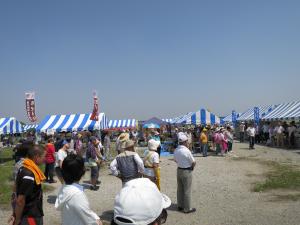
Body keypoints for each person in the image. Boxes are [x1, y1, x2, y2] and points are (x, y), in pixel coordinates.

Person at [55, 154, 102, 225]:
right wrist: (97, 221)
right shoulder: (76, 194)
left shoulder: (64, 187)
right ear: (82, 172)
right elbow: (89, 219)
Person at [10, 145, 46, 225]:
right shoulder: (29, 174)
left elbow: (15, 190)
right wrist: (17, 219)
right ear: (37, 157)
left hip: (30, 213)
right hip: (30, 215)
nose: (45, 159)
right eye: (44, 156)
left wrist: (14, 213)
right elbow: (20, 200)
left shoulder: (24, 167)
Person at [174, 132, 196, 214]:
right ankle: (187, 208)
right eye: (187, 141)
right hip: (186, 170)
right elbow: (193, 162)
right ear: (184, 142)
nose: (187, 142)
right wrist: (192, 167)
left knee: (180, 189)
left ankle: (180, 205)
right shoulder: (186, 151)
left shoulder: (176, 149)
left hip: (179, 169)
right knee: (187, 190)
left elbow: (175, 160)